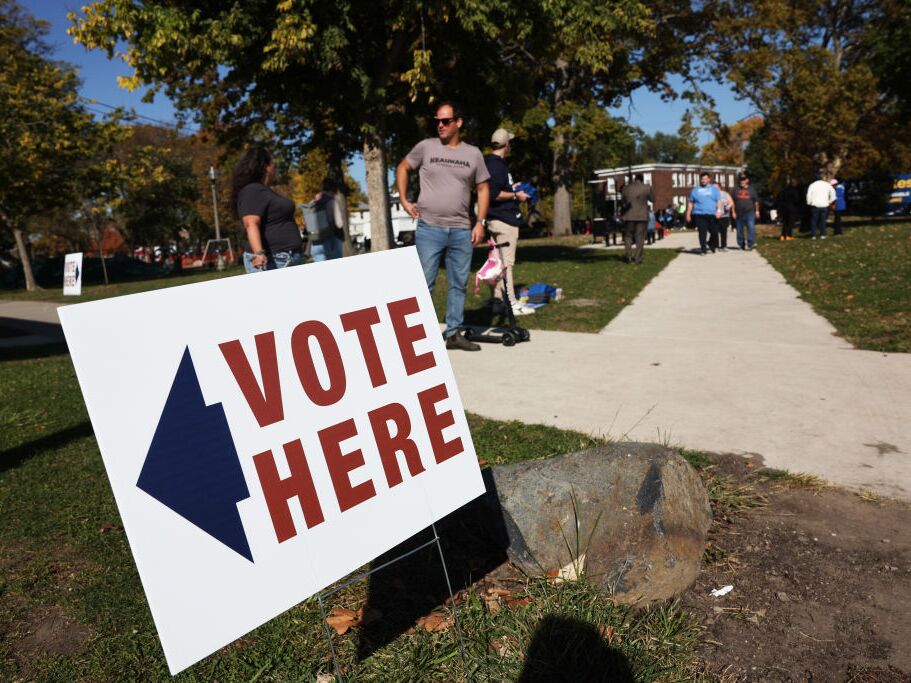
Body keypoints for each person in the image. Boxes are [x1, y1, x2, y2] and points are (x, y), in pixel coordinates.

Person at [396, 102, 490, 351]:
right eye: (437, 120)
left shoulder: (473, 154)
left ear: (458, 123)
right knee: (424, 282)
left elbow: (482, 188)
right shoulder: (426, 147)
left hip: (461, 229)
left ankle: (454, 334)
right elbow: (403, 167)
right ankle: (418, 337)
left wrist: (480, 222)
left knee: (458, 283)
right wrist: (405, 200)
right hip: (430, 228)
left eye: (445, 121)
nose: (440, 125)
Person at [483, 128, 535, 316]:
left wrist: (511, 187)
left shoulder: (488, 163)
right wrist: (516, 195)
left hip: (494, 219)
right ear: (506, 145)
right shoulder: (497, 165)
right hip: (505, 220)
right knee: (507, 264)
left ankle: (497, 301)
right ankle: (511, 303)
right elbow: (495, 193)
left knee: (496, 263)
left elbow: (494, 188)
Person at [232, 145, 303, 272]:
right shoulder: (252, 190)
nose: (275, 167)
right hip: (275, 260)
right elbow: (251, 223)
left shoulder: (264, 191)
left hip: (285, 257)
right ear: (266, 167)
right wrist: (259, 253)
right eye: (272, 163)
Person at [620, 173, 655, 264]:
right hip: (641, 216)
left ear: (635, 179)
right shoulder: (646, 187)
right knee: (640, 238)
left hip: (629, 216)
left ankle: (628, 257)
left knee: (628, 236)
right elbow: (653, 200)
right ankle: (637, 259)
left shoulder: (626, 188)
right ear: (642, 179)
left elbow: (623, 202)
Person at [686, 172, 723, 254]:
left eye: (705, 179)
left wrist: (719, 211)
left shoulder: (714, 189)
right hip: (699, 214)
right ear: (700, 180)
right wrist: (688, 214)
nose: (703, 181)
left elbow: (719, 201)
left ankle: (710, 243)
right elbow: (691, 203)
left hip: (712, 214)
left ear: (709, 179)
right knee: (702, 232)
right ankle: (703, 249)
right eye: (702, 179)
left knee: (715, 231)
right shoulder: (695, 190)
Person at [309, 178, 345, 261]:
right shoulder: (332, 202)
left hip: (315, 242)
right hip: (331, 242)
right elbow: (340, 224)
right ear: (333, 191)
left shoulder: (312, 203)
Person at [732, 172, 761, 250]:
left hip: (750, 212)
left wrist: (757, 211)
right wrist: (733, 212)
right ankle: (741, 244)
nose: (742, 181)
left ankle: (751, 243)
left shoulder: (752, 189)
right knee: (739, 229)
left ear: (746, 181)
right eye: (741, 180)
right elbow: (732, 202)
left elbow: (756, 201)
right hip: (739, 213)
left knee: (751, 228)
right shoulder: (735, 189)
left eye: (743, 180)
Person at [806, 175, 836, 239]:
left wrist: (809, 202)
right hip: (824, 205)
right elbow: (833, 194)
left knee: (814, 220)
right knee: (823, 220)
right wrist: (830, 201)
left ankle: (813, 235)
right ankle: (823, 234)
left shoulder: (812, 185)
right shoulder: (827, 185)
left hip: (815, 205)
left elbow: (808, 195)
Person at [718, 185, 735, 251]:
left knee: (723, 231)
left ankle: (723, 246)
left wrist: (728, 206)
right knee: (714, 231)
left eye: (717, 187)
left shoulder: (725, 194)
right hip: (715, 215)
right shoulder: (711, 194)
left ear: (720, 187)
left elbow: (731, 202)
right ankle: (714, 244)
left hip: (724, 215)